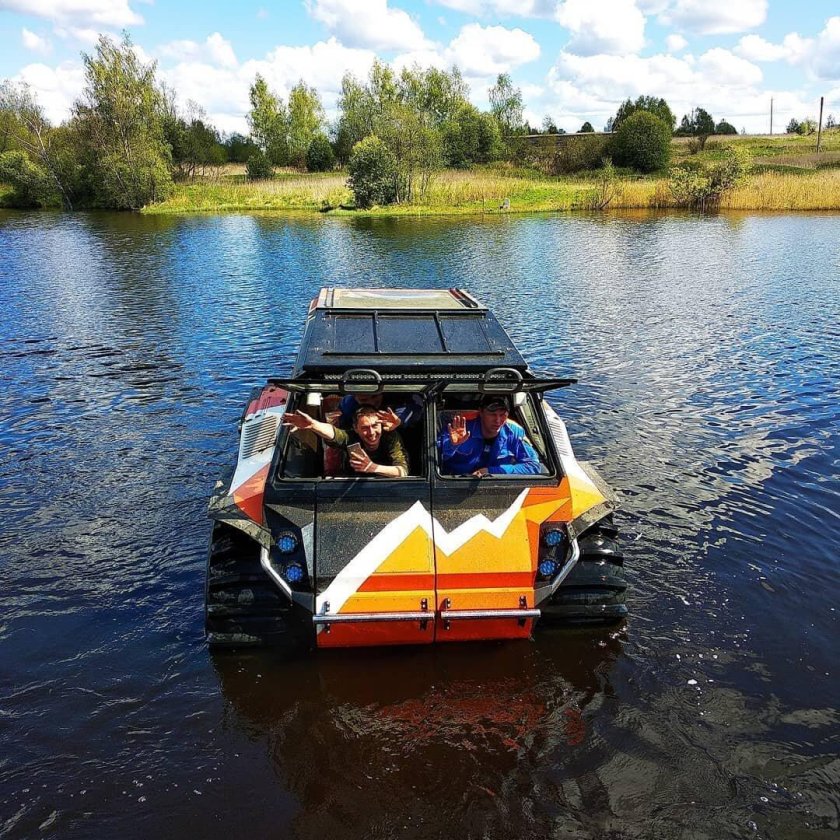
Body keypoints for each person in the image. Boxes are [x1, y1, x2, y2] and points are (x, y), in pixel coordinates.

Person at [283, 405, 408, 477]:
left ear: (381, 425)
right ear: (356, 428)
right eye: (365, 428)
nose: (371, 432)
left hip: (386, 484)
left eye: (375, 426)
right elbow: (334, 434)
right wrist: (313, 425)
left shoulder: (390, 437)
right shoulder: (351, 437)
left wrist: (373, 468)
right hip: (352, 483)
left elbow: (402, 471)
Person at [438, 394, 541, 477]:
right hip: (454, 484)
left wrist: (491, 471)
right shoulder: (458, 428)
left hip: (496, 486)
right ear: (481, 412)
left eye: (502, 415)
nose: (498, 420)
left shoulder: (514, 432)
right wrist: (452, 445)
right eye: (492, 414)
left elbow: (533, 466)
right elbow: (436, 459)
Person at [336, 392, 423, 431]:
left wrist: (400, 421)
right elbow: (343, 427)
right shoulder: (348, 405)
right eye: (364, 400)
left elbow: (415, 407)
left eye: (375, 396)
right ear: (355, 398)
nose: (371, 403)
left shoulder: (397, 397)